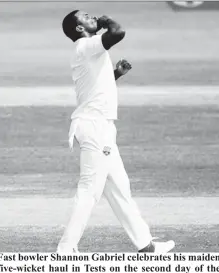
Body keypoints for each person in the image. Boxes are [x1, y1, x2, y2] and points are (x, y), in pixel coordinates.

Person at [57, 10, 175, 253]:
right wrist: (104, 21)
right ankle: (66, 249)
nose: (91, 17)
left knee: (120, 188)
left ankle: (146, 245)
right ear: (80, 28)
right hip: (95, 128)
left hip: (101, 128)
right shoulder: (87, 45)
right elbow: (118, 32)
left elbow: (96, 87)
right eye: (86, 17)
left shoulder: (89, 49)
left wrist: (116, 74)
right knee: (89, 190)